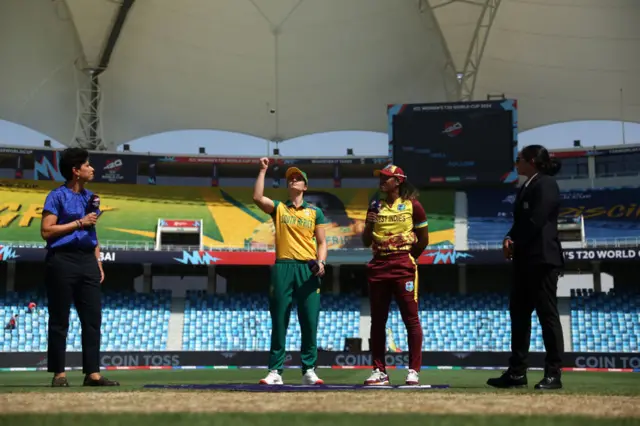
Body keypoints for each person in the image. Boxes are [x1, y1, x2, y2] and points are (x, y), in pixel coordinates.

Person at [487, 144, 564, 390]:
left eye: (519, 159)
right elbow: (521, 222)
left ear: (531, 160)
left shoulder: (547, 183)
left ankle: (553, 374)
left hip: (542, 259)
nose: (516, 163)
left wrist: (515, 240)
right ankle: (517, 372)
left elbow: (537, 219)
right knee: (519, 316)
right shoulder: (527, 185)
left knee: (547, 316)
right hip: (524, 260)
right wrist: (510, 238)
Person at [40, 147, 119, 388]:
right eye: (87, 165)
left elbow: (92, 231)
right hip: (62, 260)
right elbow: (46, 231)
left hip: (87, 260)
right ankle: (59, 374)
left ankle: (92, 374)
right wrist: (78, 222)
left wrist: (98, 261)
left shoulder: (92, 198)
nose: (93, 168)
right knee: (59, 319)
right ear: (76, 171)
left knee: (93, 319)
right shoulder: (56, 196)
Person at [252, 157, 329, 385]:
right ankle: (275, 371)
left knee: (309, 321)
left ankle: (309, 371)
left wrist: (321, 263)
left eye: (298, 178)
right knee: (279, 319)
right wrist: (263, 170)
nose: (293, 180)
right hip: (283, 266)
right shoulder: (279, 208)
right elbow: (257, 197)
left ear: (305, 186)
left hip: (308, 268)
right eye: (290, 178)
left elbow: (322, 243)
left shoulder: (315, 213)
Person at [361, 164, 430, 386]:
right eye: (380, 177)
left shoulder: (413, 206)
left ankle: (413, 371)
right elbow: (365, 241)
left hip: (403, 265)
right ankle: (379, 371)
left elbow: (423, 239)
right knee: (378, 321)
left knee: (411, 319)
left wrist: (409, 258)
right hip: (379, 265)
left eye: (386, 178)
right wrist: (370, 222)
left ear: (398, 181)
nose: (381, 181)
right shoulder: (375, 206)